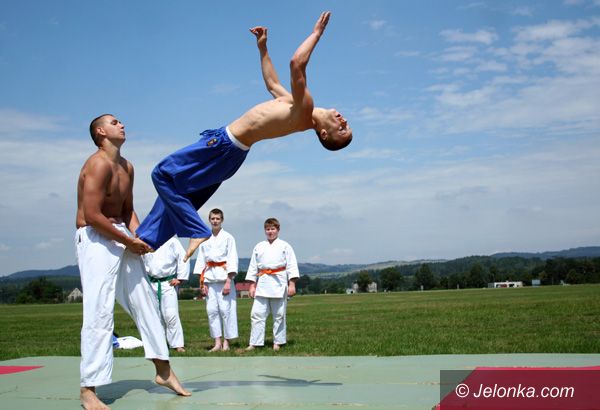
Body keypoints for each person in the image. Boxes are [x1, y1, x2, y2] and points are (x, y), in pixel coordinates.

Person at [136, 11, 352, 262]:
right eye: (346, 125)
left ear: (323, 133)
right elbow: (272, 84)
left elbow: (296, 63)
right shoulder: (296, 106)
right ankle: (146, 239)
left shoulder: (305, 110)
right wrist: (263, 48)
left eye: (342, 129)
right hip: (233, 154)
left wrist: (316, 34)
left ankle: (196, 230)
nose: (344, 121)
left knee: (162, 173)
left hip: (223, 146)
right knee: (179, 189)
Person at [75, 114, 190, 410]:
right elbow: (92, 215)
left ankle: (163, 371)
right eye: (114, 122)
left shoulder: (127, 167)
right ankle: (88, 389)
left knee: (146, 302)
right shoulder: (96, 164)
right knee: (99, 311)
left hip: (120, 233)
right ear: (100, 132)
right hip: (95, 238)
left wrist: (141, 237)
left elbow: (127, 211)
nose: (122, 125)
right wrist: (128, 241)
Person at [245, 218, 299, 351]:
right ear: (265, 230)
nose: (270, 232)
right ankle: (255, 342)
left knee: (279, 315)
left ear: (278, 230)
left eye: (273, 229)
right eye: (268, 229)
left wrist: (292, 284)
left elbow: (291, 266)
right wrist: (252, 285)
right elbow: (253, 267)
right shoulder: (259, 246)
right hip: (262, 283)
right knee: (257, 314)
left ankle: (278, 342)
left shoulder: (285, 246)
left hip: (279, 282)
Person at [193, 208, 239, 352]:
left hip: (224, 278)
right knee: (212, 310)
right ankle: (217, 342)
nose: (215, 221)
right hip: (209, 278)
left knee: (226, 310)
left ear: (222, 220)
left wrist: (228, 281)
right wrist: (202, 283)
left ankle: (227, 342)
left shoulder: (228, 237)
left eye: (217, 218)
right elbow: (200, 261)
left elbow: (232, 259)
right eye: (213, 218)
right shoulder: (205, 238)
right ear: (209, 220)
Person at [143, 236, 189, 353]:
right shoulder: (147, 239)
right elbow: (140, 259)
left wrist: (180, 278)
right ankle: (159, 343)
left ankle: (177, 344)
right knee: (154, 315)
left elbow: (183, 257)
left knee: (170, 314)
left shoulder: (172, 241)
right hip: (151, 283)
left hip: (168, 283)